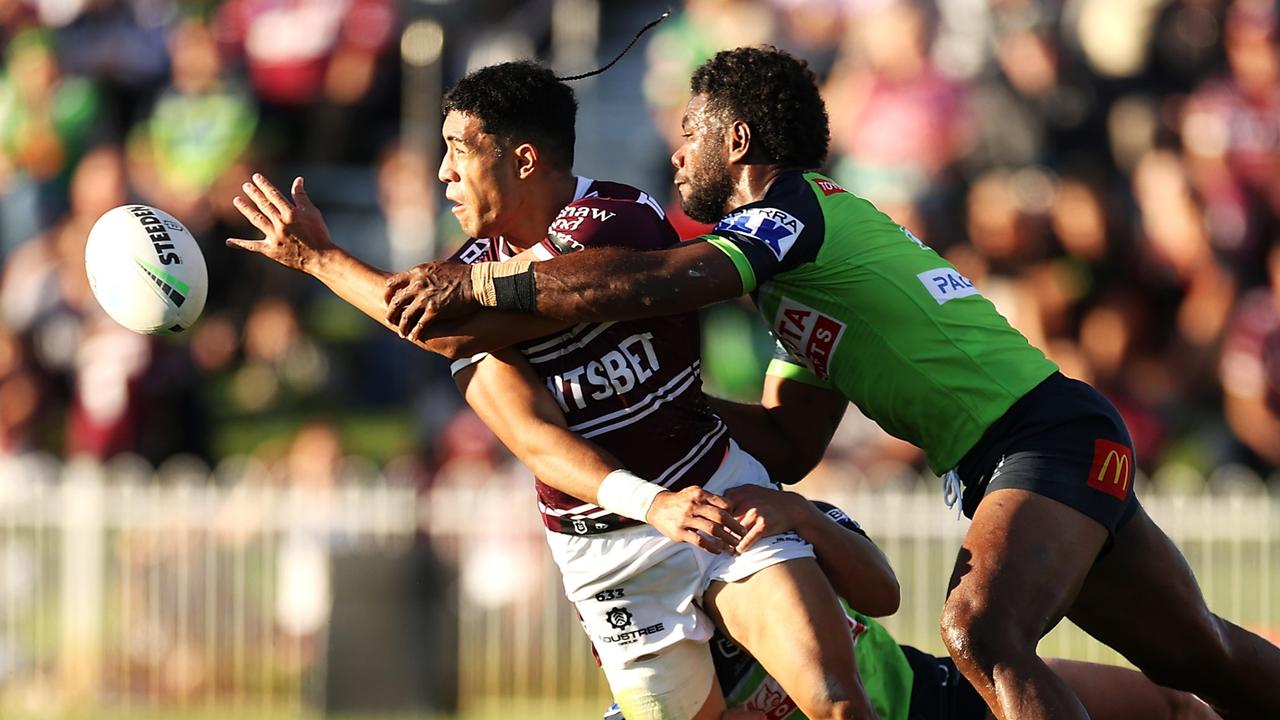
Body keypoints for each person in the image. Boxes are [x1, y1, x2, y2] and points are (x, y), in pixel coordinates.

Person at [383, 47, 1280, 719]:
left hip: (1044, 437)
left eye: (691, 127)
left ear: (736, 139)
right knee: (1207, 661)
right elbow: (790, 443)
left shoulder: (792, 214)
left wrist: (482, 282)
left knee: (981, 631)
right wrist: (642, 408)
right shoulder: (796, 280)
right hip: (1036, 449)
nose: (676, 145)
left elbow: (669, 280)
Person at [227, 61, 873, 720]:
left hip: (717, 492)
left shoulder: (619, 219)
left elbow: (477, 314)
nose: (443, 172)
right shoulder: (456, 279)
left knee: (836, 702)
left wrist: (323, 260)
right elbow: (535, 437)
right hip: (607, 555)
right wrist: (652, 506)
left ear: (525, 160)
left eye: (458, 150)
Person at [607, 484, 1221, 720]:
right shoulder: (651, 603)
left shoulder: (775, 516)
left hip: (931, 693)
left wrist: (802, 516)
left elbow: (884, 593)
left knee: (1172, 707)